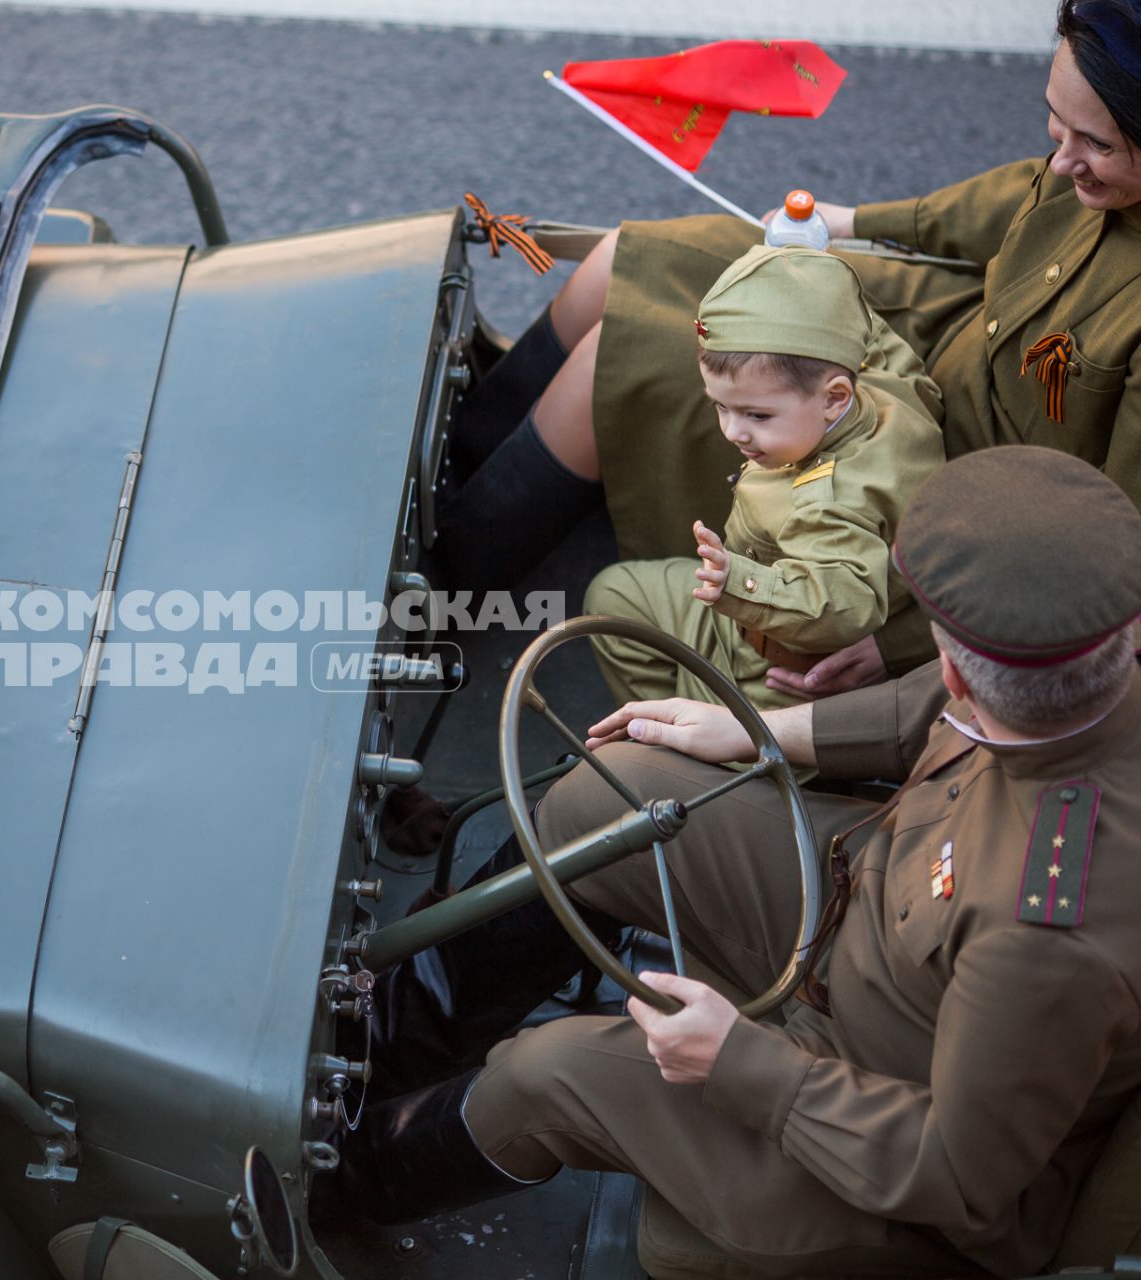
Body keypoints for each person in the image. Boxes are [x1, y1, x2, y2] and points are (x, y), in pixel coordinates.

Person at [331, 447, 1141, 1277]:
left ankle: (333, 1181)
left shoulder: (1047, 932)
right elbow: (933, 710)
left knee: (546, 1075)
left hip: (861, 1129)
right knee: (597, 803)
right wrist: (756, 729)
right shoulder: (1098, 670)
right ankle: (371, 1049)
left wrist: (741, 1065)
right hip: (853, 911)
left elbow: (959, 1175)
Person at [434, 0, 1141, 700]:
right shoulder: (1077, 172)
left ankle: (431, 604)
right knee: (624, 262)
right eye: (1056, 126)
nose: (1061, 161)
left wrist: (903, 638)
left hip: (933, 470)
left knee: (609, 367)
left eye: (1097, 146)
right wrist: (857, 221)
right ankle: (443, 485)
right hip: (923, 330)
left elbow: (1107, 552)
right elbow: (1014, 198)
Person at [585, 244, 944, 710]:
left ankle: (679, 754)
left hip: (771, 677)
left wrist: (740, 581)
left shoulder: (830, 503)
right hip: (737, 620)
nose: (733, 431)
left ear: (835, 398)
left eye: (757, 414)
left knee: (686, 738)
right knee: (613, 595)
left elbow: (844, 604)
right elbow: (871, 335)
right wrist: (796, 282)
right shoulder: (890, 390)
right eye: (720, 406)